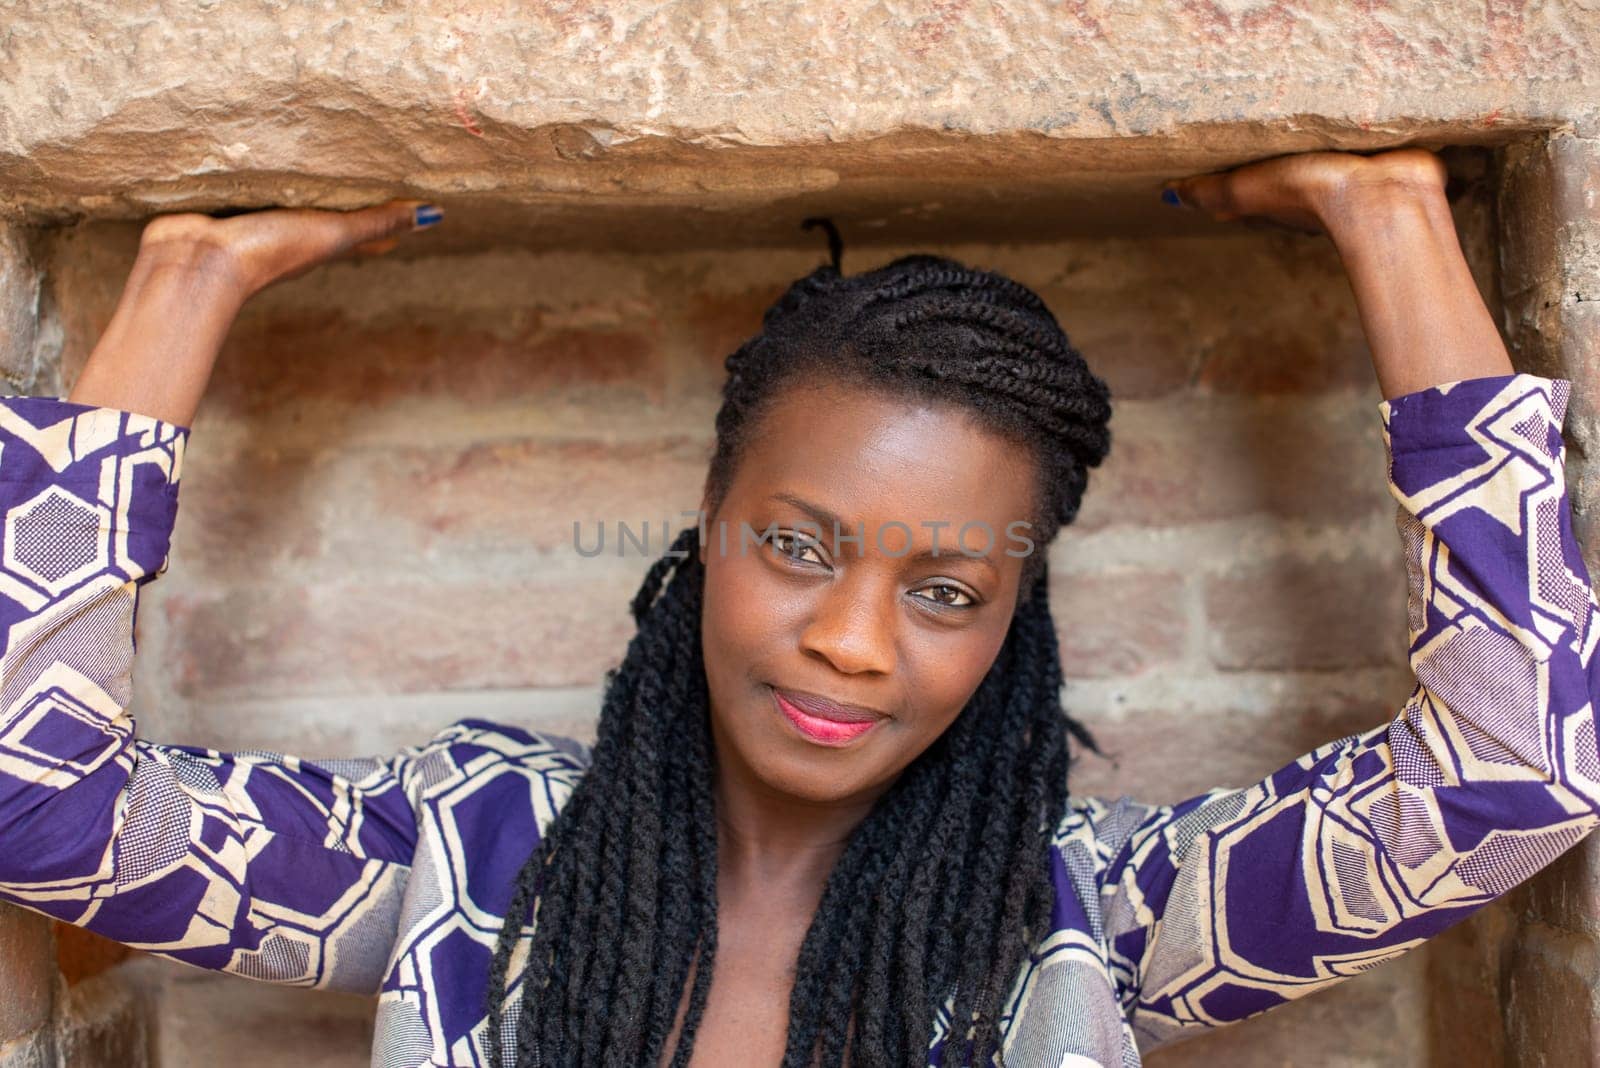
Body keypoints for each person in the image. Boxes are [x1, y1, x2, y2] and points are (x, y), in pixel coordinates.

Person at [0, 145, 1594, 1068]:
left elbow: (1517, 778)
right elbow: (36, 806)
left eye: (947, 588)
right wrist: (183, 284)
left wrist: (1391, 222)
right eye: (802, 547)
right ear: (705, 533)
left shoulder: (1082, 924)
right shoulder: (467, 865)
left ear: (1011, 623)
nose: (853, 637)